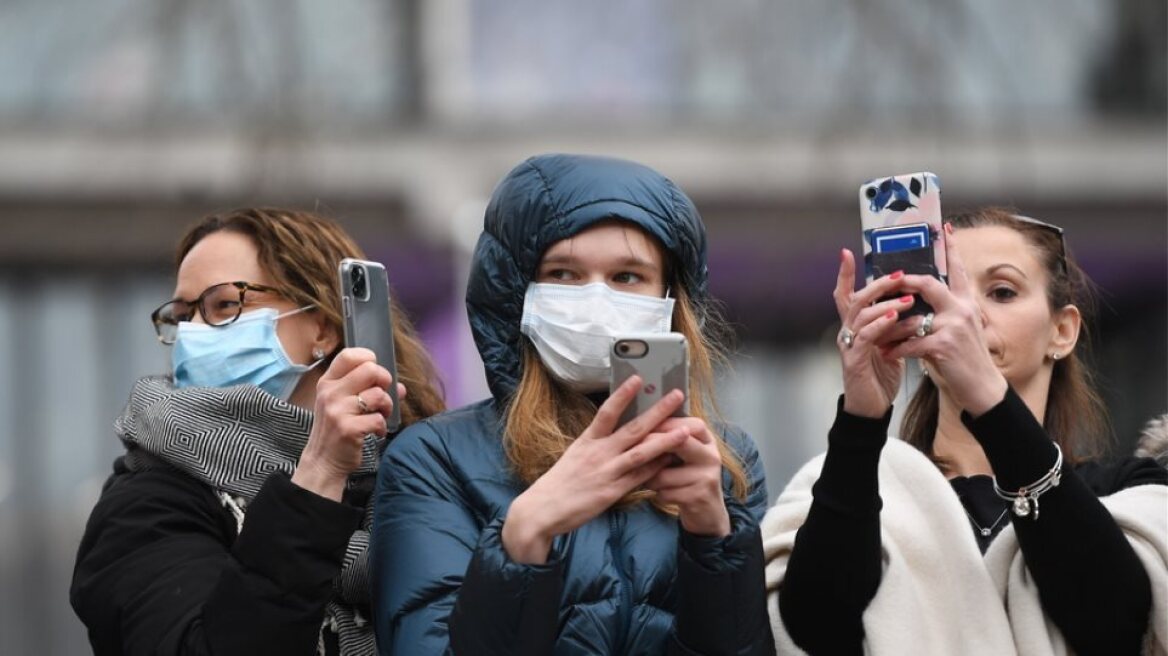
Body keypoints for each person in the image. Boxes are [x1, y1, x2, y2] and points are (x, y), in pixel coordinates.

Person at [371, 154, 775, 655]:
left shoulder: (726, 462)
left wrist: (715, 540)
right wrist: (525, 532)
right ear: (516, 292)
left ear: (672, 299)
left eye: (628, 277)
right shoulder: (435, 459)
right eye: (563, 274)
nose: (596, 301)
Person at [762, 207, 1168, 655]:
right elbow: (813, 627)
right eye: (943, 290)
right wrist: (861, 419)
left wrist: (989, 399)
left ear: (1063, 331)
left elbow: (1114, 622)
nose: (966, 311)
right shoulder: (861, 486)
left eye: (1001, 291)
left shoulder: (1129, 494)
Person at [70, 208, 445, 655]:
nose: (193, 334)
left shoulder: (423, 477)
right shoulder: (146, 503)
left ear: (322, 326)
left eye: (224, 305)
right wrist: (318, 475)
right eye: (182, 316)